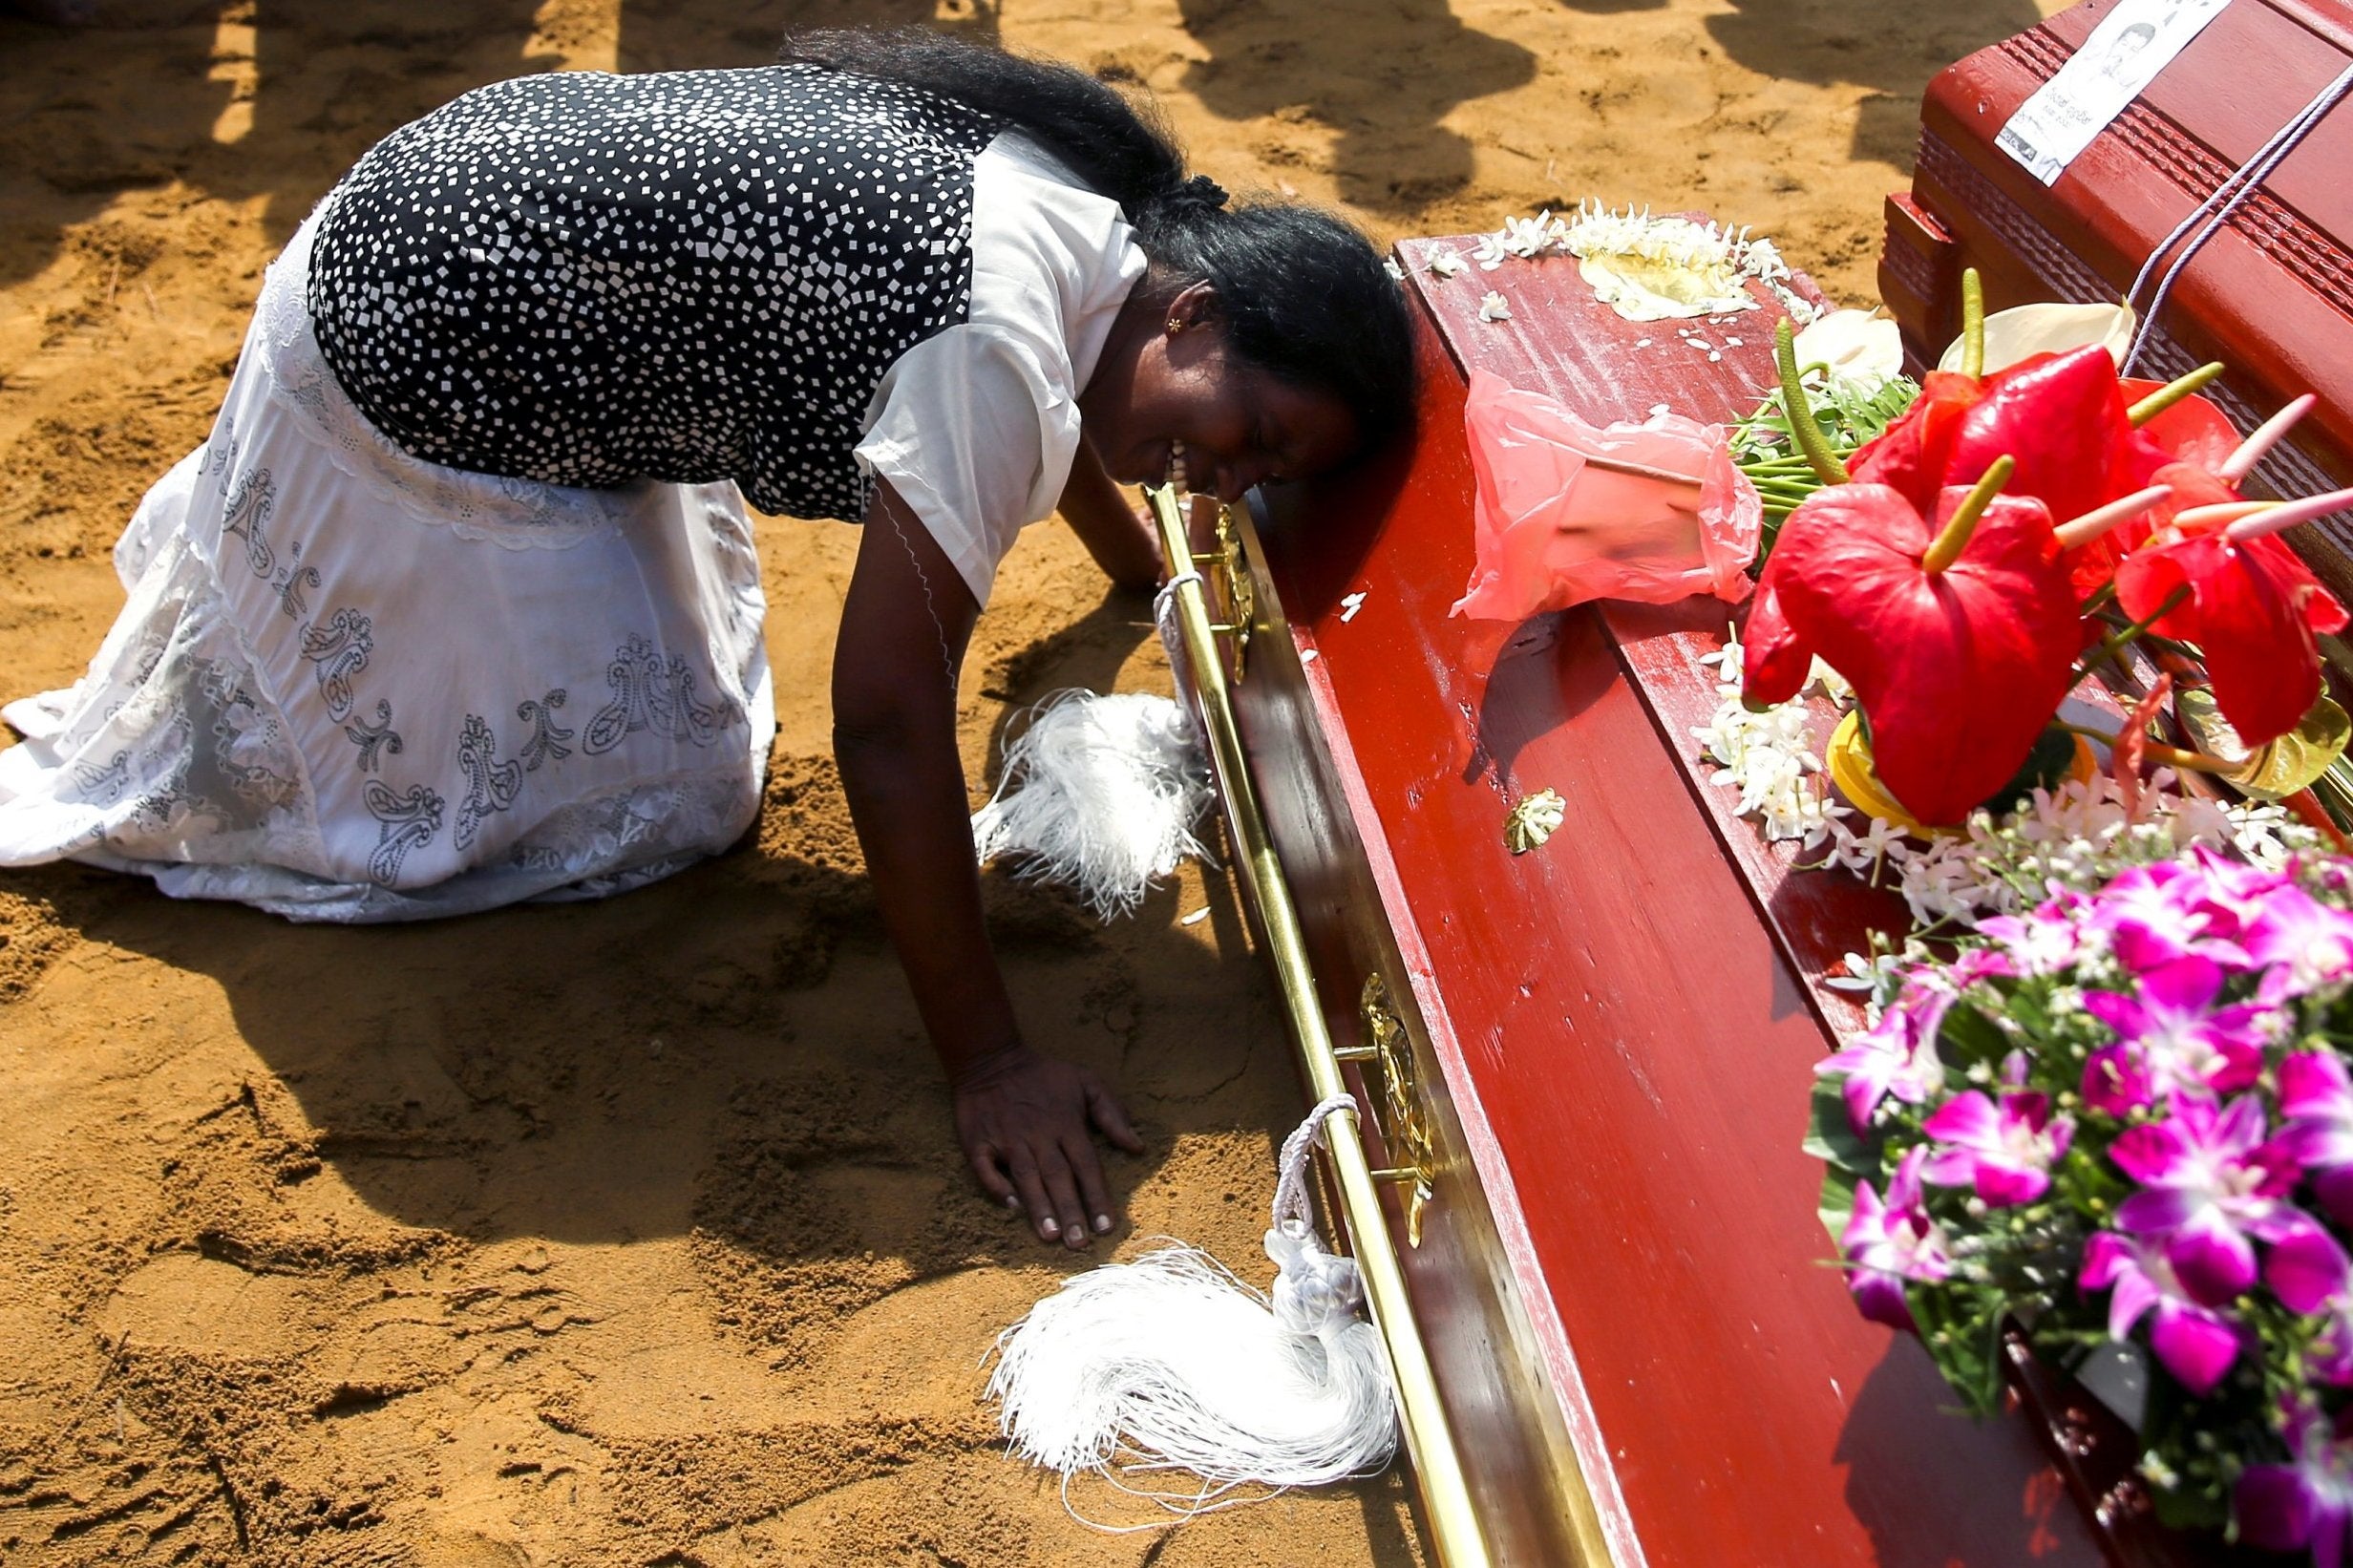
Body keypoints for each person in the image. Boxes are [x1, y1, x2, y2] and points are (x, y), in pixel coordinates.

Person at [0, 30, 1415, 1249]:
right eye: (1254, 439)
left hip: (444, 206)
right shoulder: (1001, 354)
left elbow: (1068, 422)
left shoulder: (1096, 216)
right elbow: (885, 723)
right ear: (1197, 310)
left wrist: (1131, 571)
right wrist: (989, 1061)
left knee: (687, 705)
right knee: (672, 805)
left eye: (1260, 478)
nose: (1228, 483)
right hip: (412, 350)